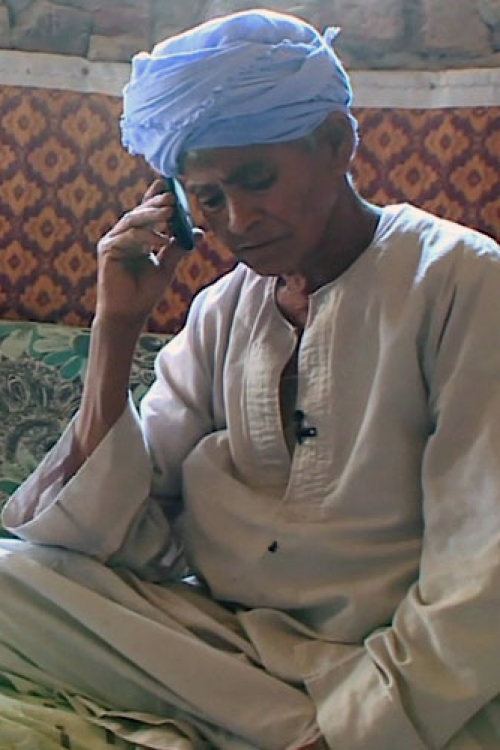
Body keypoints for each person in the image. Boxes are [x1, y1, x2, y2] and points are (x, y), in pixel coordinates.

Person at [0, 8, 500, 749]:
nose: (236, 220)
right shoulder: (221, 310)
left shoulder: (461, 281)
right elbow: (100, 533)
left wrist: (367, 723)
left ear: (336, 143)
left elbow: (483, 558)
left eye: (256, 180)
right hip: (231, 645)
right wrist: (116, 328)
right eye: (207, 198)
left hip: (394, 660)